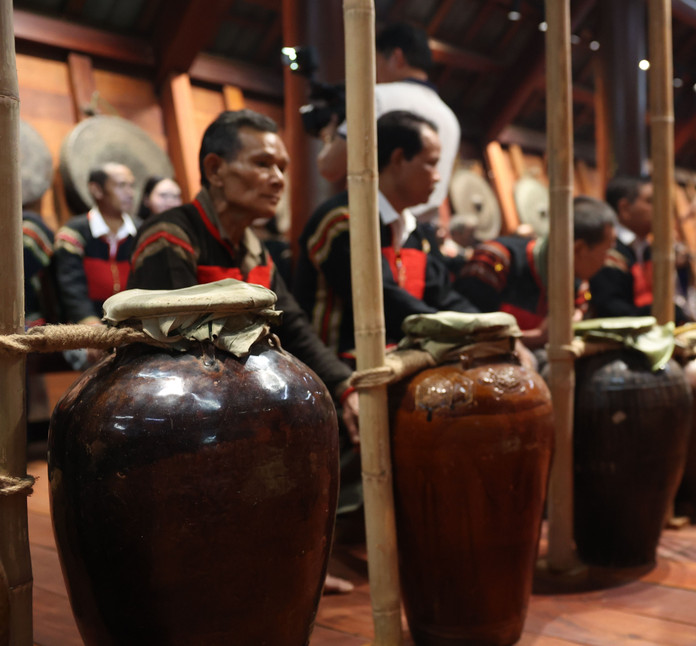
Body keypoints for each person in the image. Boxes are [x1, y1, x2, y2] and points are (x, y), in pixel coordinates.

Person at [127, 109, 359, 438]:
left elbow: (293, 325)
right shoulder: (170, 234)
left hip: (238, 401)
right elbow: (173, 355)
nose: (279, 178)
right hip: (182, 420)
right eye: (263, 164)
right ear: (215, 169)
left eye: (282, 167)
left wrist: (346, 386)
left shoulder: (253, 246)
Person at [295, 110, 477, 355]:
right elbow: (384, 301)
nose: (437, 177)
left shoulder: (418, 233)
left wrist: (487, 327)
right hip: (343, 371)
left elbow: (444, 297)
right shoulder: (344, 222)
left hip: (406, 358)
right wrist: (462, 333)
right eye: (431, 163)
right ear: (399, 158)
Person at [317, 22, 460, 222]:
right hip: (425, 232)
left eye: (375, 61)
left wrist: (328, 135)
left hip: (377, 229)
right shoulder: (449, 116)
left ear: (396, 56)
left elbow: (330, 167)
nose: (374, 71)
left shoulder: (377, 97)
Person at [454, 196, 617, 349]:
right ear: (579, 248)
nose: (606, 261)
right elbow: (464, 333)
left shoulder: (578, 286)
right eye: (606, 251)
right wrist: (536, 337)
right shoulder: (495, 260)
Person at [589, 175, 692, 322]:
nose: (660, 209)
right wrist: (658, 312)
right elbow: (610, 308)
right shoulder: (608, 250)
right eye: (651, 201)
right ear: (624, 208)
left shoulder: (647, 249)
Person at [54, 163, 138, 326]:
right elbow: (72, 290)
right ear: (96, 190)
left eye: (131, 185)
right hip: (86, 327)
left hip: (134, 326)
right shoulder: (73, 233)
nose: (130, 193)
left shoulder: (141, 232)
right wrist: (91, 326)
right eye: (122, 185)